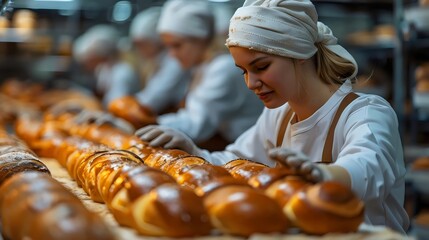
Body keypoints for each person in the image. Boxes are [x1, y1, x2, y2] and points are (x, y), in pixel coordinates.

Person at [136, 0, 410, 234]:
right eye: (243, 71)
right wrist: (193, 151)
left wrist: (322, 174)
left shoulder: (364, 112)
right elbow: (237, 162)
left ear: (298, 53)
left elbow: (368, 168)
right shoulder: (278, 116)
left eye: (261, 67)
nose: (251, 83)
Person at [136, 0, 264, 151]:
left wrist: (144, 122)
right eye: (168, 47)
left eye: (177, 45)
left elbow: (197, 125)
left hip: (246, 151)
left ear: (200, 40)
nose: (171, 55)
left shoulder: (223, 68)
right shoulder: (201, 68)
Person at [128, 6, 192, 115]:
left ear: (157, 41)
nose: (139, 49)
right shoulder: (155, 62)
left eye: (142, 44)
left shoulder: (174, 62)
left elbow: (154, 100)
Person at [73, 24, 141, 108]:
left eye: (89, 60)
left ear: (100, 54)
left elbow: (118, 106)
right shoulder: (103, 69)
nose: (86, 65)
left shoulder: (123, 72)